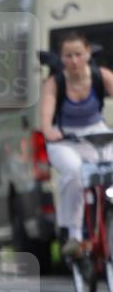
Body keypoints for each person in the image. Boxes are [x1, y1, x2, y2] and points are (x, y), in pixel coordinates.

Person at [41, 31, 113, 258]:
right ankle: (74, 235)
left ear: (88, 53)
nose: (74, 61)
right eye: (68, 56)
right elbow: (46, 117)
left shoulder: (102, 76)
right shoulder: (55, 83)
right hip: (66, 139)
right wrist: (50, 131)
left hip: (97, 133)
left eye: (78, 54)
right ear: (61, 58)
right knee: (73, 172)